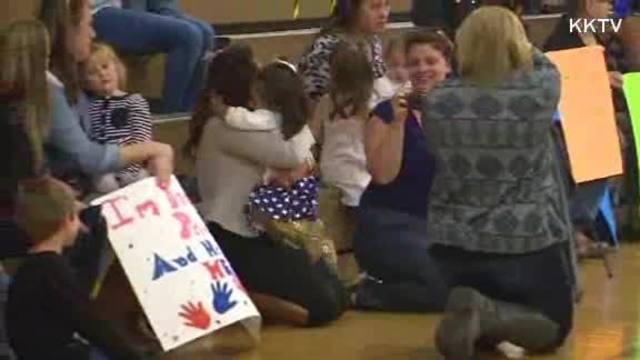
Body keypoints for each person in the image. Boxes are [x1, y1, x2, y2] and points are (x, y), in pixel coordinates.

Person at [423, 7, 574, 358]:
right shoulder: (538, 92)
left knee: (482, 322)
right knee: (553, 326)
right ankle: (487, 314)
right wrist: (513, 42)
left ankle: (477, 309)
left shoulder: (438, 102)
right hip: (525, 241)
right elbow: (545, 65)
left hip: (452, 243)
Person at [185, 45, 346, 327]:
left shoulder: (250, 124)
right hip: (231, 235)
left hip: (259, 229)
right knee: (324, 305)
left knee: (336, 290)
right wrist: (296, 109)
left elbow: (301, 157)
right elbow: (294, 154)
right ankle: (248, 298)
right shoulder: (222, 127)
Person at [351, 30, 452, 312]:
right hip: (389, 225)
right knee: (446, 287)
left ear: (447, 66)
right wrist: (398, 123)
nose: (422, 69)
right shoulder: (384, 113)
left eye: (430, 61)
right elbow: (383, 175)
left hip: (437, 226)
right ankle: (368, 293)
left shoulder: (458, 114)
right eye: (414, 63)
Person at [7, 177, 157, 360]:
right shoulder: (53, 271)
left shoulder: (31, 267)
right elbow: (93, 325)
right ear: (68, 220)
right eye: (76, 216)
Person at [544, 0, 632, 256]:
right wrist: (602, 79)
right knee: (610, 145)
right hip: (573, 116)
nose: (611, 9)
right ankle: (574, 225)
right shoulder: (564, 37)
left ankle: (584, 225)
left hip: (598, 111)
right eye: (606, 3)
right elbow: (562, 80)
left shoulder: (593, 34)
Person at [91, 0, 215, 113]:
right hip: (98, 9)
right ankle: (172, 115)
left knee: (206, 32)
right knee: (188, 36)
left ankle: (189, 112)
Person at [82, 43, 152, 194]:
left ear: (116, 67)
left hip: (132, 164)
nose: (102, 74)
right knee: (105, 183)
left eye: (105, 66)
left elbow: (142, 137)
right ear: (85, 82)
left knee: (139, 180)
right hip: (102, 166)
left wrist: (132, 166)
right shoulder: (88, 106)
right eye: (93, 72)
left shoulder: (134, 101)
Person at [298, 0, 390, 107]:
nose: (384, 14)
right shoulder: (326, 47)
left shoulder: (373, 41)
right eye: (374, 7)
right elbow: (313, 102)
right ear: (352, 10)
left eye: (386, 4)